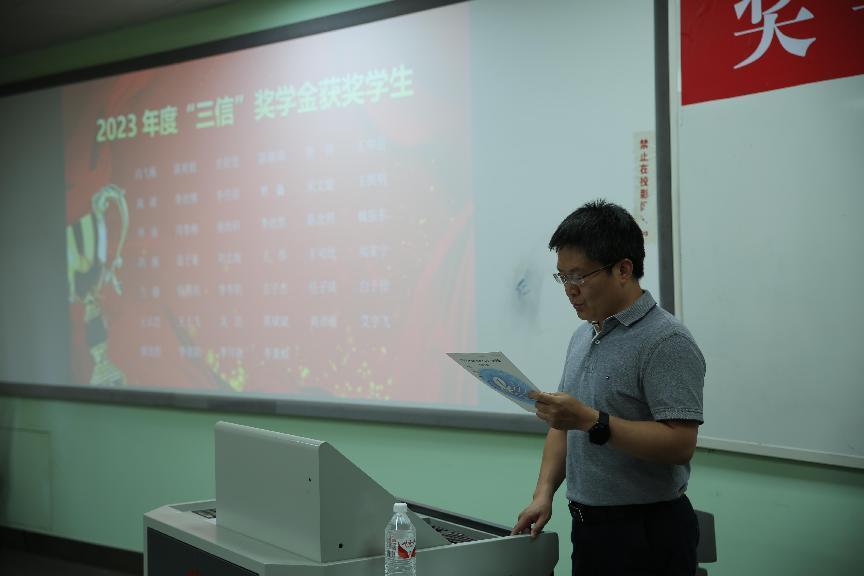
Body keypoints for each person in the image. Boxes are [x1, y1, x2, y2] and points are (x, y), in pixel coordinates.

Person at [511, 200, 705, 576]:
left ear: (623, 269)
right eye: (562, 277)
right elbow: (563, 427)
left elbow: (680, 444)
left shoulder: (666, 340)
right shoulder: (583, 336)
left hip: (648, 534)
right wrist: (543, 494)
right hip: (589, 529)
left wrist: (591, 420)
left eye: (579, 277)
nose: (570, 290)